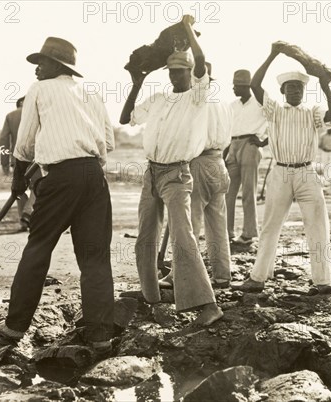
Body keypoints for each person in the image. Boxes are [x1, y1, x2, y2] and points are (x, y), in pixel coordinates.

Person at [0, 37, 116, 353]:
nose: (37, 69)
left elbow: (23, 146)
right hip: (94, 177)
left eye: (42, 62)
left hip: (61, 177)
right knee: (95, 256)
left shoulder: (39, 90)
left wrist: (18, 180)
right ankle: (100, 335)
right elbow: (108, 140)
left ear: (57, 66)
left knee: (38, 247)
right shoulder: (91, 91)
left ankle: (14, 327)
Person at [120, 15, 223, 326]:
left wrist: (187, 27)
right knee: (145, 237)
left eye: (182, 72)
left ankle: (207, 305)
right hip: (152, 173)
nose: (176, 76)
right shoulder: (159, 98)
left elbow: (202, 58)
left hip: (177, 174)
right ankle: (151, 296)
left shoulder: (197, 96)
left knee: (182, 237)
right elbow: (126, 118)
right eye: (173, 72)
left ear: (191, 74)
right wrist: (136, 84)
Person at [233, 41, 331, 295]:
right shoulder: (274, 110)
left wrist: (325, 84)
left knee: (317, 225)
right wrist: (272, 54)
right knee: (271, 225)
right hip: (280, 172)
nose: (295, 91)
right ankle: (258, 278)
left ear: (303, 91)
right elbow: (256, 85)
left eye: (299, 88)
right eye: (290, 87)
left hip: (306, 172)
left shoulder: (313, 111)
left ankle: (323, 282)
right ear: (282, 91)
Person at [159, 62, 233, 290]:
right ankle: (222, 276)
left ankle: (180, 276)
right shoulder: (223, 102)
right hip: (219, 162)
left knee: (188, 224)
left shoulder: (196, 102)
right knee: (217, 224)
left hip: (199, 162)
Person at [225, 70, 268, 245]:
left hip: (250, 145)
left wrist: (264, 142)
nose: (234, 88)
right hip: (232, 146)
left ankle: (248, 233)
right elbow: (227, 131)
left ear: (246, 86)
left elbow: (277, 121)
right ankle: (227, 232)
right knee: (228, 192)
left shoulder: (259, 103)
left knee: (249, 191)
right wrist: (223, 155)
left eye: (236, 86)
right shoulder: (232, 106)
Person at [0, 96, 40, 231]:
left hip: (17, 158)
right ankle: (28, 214)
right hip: (37, 157)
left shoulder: (10, 116)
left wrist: (4, 163)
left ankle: (23, 221)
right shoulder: (38, 112)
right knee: (37, 187)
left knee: (19, 189)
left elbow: (4, 140)